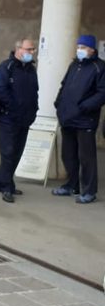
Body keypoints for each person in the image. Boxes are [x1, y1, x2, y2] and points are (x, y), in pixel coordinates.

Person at [52, 34, 105, 204]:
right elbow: (64, 84)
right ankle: (71, 185)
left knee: (86, 157)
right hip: (68, 117)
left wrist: (84, 106)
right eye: (78, 47)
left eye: (83, 47)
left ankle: (89, 191)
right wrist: (59, 103)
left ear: (92, 49)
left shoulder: (100, 67)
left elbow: (102, 93)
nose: (79, 50)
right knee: (68, 155)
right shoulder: (74, 64)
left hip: (85, 120)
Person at [0, 39, 39, 203]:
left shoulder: (31, 70)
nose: (31, 52)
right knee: (8, 153)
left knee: (17, 153)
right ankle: (7, 187)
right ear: (18, 49)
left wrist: (34, 111)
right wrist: (13, 109)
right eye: (29, 49)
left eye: (33, 49)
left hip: (25, 119)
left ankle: (1, 182)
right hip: (8, 118)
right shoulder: (6, 67)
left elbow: (35, 92)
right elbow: (0, 89)